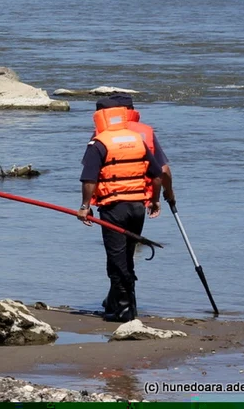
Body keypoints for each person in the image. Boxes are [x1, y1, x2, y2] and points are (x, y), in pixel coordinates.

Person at [77, 102, 163, 322]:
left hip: (114, 207)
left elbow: (89, 178)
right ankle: (126, 304)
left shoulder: (99, 143)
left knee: (116, 259)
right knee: (127, 257)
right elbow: (157, 175)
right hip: (137, 207)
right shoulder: (138, 141)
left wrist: (85, 207)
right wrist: (154, 200)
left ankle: (123, 311)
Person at [94, 93, 175, 206]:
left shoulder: (101, 133)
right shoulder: (145, 132)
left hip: (110, 198)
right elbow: (164, 170)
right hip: (139, 197)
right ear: (132, 109)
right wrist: (168, 193)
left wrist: (85, 205)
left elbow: (90, 173)